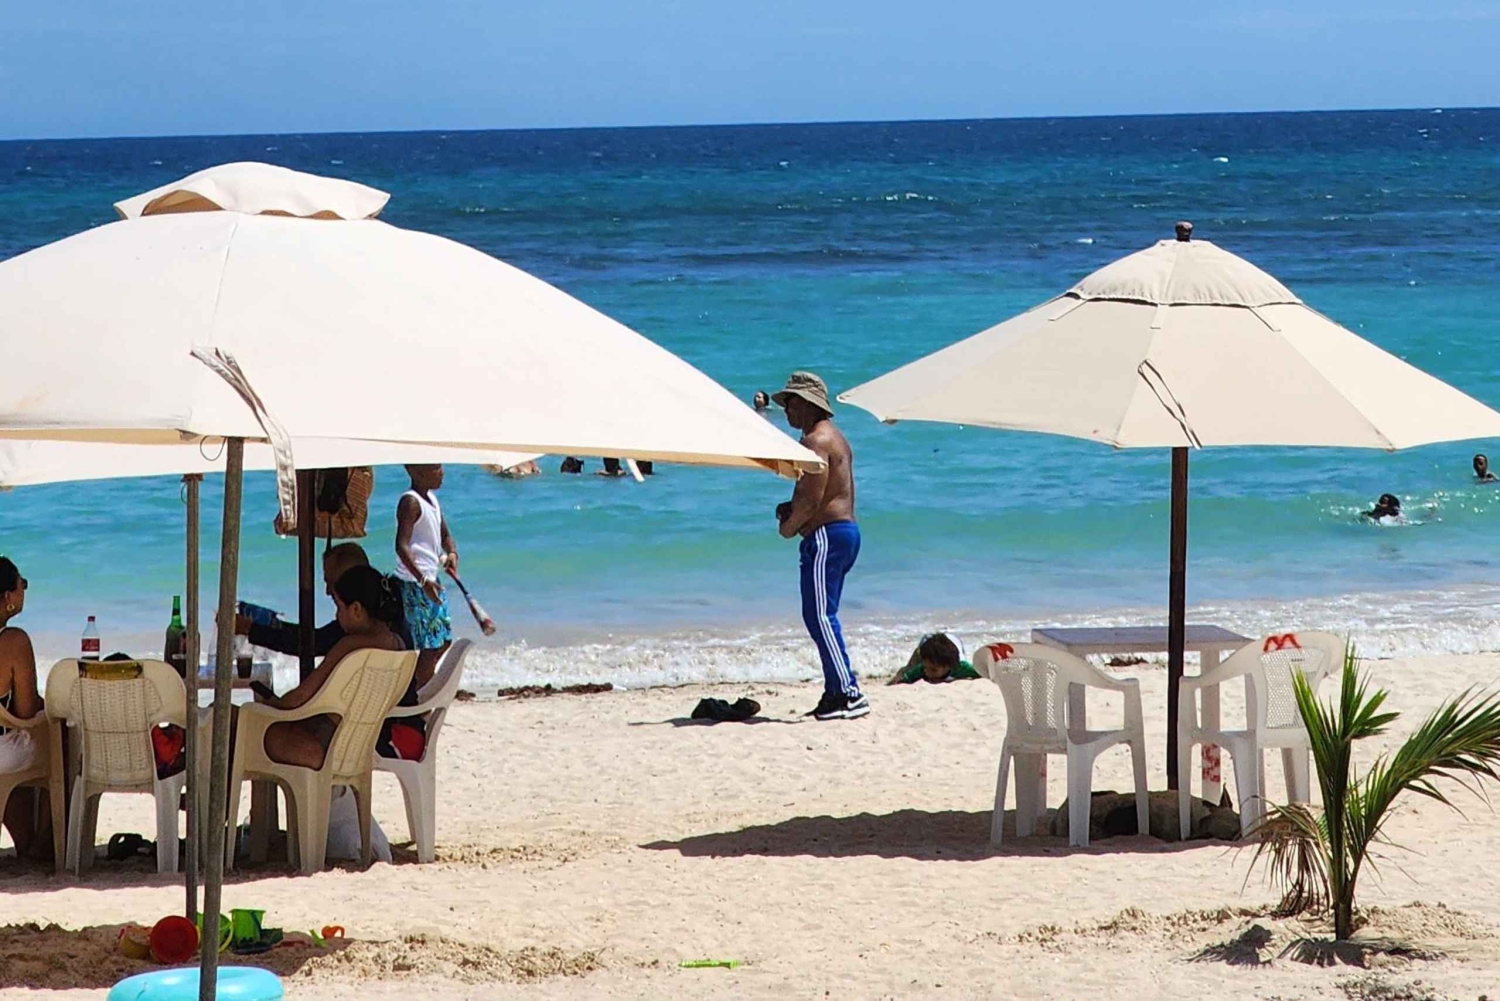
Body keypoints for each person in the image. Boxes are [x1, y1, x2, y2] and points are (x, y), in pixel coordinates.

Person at [773, 372, 867, 721]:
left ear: (808, 403)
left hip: (828, 534)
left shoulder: (815, 441)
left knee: (820, 616)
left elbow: (811, 499)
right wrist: (794, 510)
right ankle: (835, 692)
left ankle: (848, 692)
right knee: (822, 615)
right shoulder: (834, 438)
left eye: (791, 403)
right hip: (842, 532)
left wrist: (788, 526)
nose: (786, 410)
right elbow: (823, 492)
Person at [254, 567, 407, 769]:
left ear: (356, 609)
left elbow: (301, 698)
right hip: (357, 749)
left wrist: (271, 705)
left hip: (318, 747)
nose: (337, 616)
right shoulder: (398, 646)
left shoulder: (349, 646)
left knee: (231, 722)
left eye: (338, 607)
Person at [235, 543, 411, 658]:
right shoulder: (387, 611)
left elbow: (311, 644)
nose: (327, 591)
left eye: (331, 582)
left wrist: (250, 629)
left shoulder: (362, 627)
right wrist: (267, 625)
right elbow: (318, 638)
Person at [395, 464, 459, 689]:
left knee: (444, 641)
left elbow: (445, 535)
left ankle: (414, 685)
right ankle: (420, 696)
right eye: (435, 468)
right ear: (417, 472)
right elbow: (401, 546)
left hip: (431, 581)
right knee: (429, 647)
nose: (441, 472)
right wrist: (422, 581)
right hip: (415, 584)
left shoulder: (432, 499)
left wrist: (451, 553)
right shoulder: (410, 501)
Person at [0, 557, 46, 858]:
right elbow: (26, 711)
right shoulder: (13, 641)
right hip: (3, 749)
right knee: (60, 739)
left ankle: (26, 838)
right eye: (22, 585)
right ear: (7, 597)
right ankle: (46, 841)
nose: (23, 591)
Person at [887, 633, 982, 685]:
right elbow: (905, 678)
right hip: (926, 644)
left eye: (934, 670)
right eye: (925, 668)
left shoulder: (960, 667)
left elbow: (982, 672)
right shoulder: (922, 668)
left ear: (947, 667)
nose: (928, 672)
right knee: (907, 669)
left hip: (951, 643)